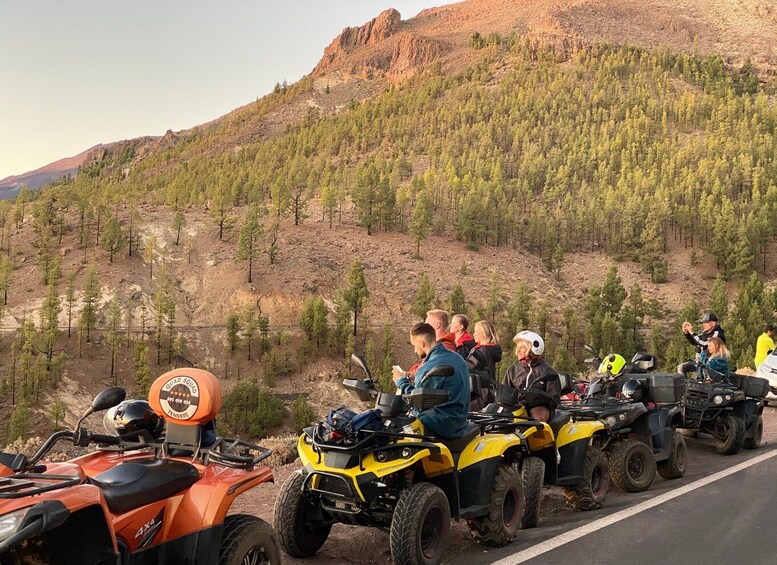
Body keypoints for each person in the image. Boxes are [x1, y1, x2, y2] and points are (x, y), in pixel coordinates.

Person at [392, 322, 470, 438]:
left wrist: (401, 381)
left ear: (421, 343)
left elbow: (417, 402)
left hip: (440, 424)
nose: (414, 350)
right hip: (458, 420)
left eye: (414, 346)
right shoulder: (456, 357)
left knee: (397, 434)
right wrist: (416, 377)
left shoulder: (429, 367)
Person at [504, 330, 560, 422]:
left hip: (539, 408)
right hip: (516, 407)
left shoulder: (548, 372)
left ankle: (538, 436)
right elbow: (504, 393)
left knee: (537, 416)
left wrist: (538, 397)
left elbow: (554, 400)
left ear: (534, 348)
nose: (518, 350)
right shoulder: (512, 370)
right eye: (517, 347)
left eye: (522, 347)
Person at [679, 312, 726, 376]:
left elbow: (704, 344)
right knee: (681, 367)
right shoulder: (705, 333)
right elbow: (694, 341)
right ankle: (683, 384)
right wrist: (687, 333)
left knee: (704, 377)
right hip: (702, 361)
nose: (704, 325)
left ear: (713, 323)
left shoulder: (717, 333)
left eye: (706, 322)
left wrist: (691, 332)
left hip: (713, 362)